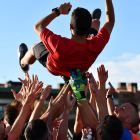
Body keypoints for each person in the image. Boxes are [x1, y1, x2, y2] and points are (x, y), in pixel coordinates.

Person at [18, 0, 115, 78]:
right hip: (76, 70)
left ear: (70, 26)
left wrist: (58, 11)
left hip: (55, 68)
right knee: (94, 31)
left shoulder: (58, 44)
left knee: (34, 47)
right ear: (88, 27)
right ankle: (94, 20)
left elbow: (38, 27)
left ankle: (23, 64)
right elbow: (110, 21)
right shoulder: (96, 46)